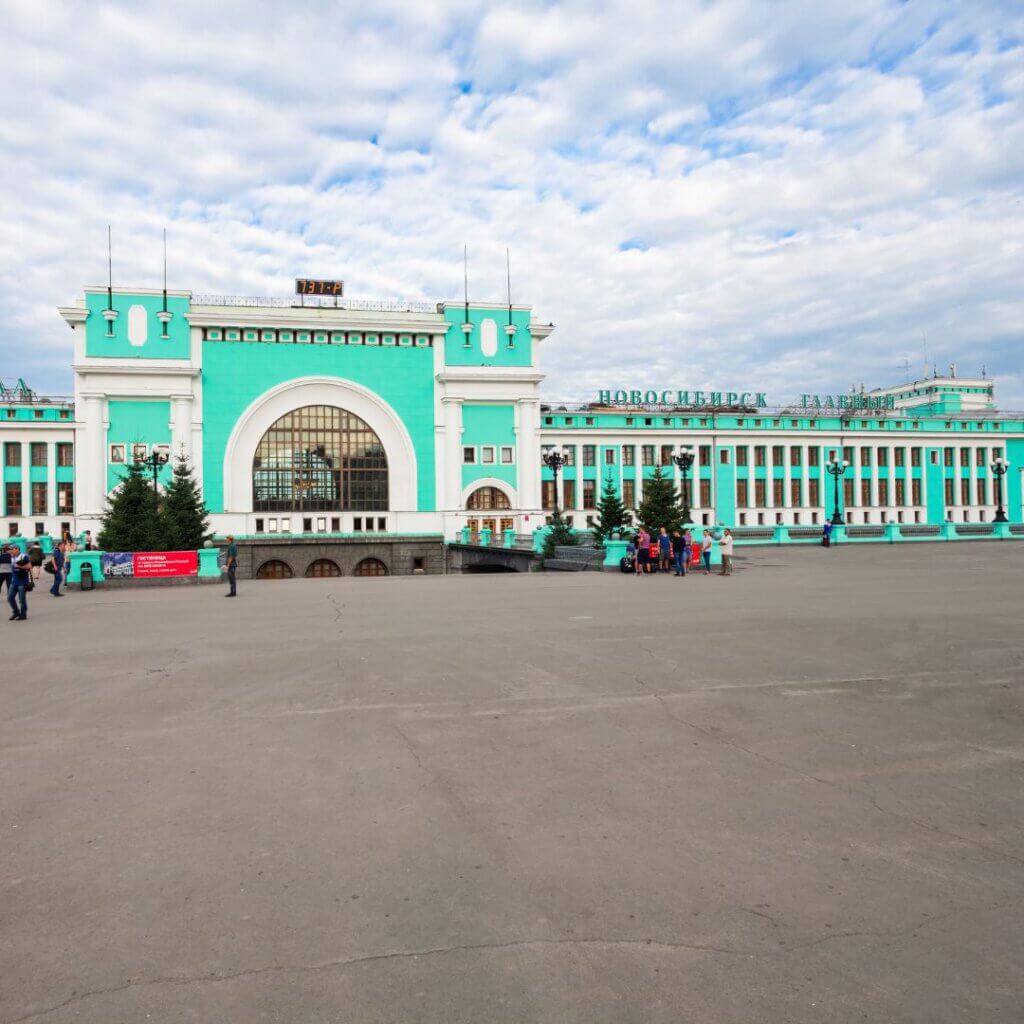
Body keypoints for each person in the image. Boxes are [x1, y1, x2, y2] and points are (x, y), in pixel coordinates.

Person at [8, 552, 30, 621]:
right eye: (10, 549)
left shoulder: (24, 556)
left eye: (12, 549)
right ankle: (16, 612)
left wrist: (19, 566)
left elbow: (30, 566)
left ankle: (23, 614)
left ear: (17, 549)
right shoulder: (12, 557)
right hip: (14, 581)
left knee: (22, 600)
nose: (10, 551)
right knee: (10, 598)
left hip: (22, 582)